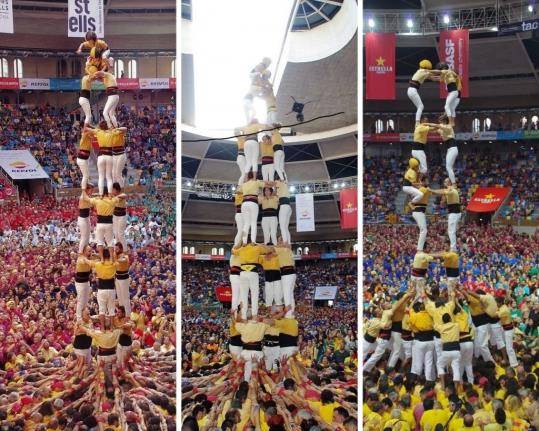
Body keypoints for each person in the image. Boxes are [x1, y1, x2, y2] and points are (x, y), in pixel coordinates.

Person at [81, 185, 126, 261]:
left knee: (100, 242)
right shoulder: (112, 200)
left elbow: (85, 198)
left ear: (101, 192)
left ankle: (102, 258)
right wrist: (110, 196)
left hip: (100, 224)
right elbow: (124, 195)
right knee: (110, 242)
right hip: (109, 224)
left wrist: (83, 189)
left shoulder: (97, 200)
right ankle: (111, 257)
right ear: (108, 192)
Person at [231, 242, 270, 320]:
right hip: (253, 272)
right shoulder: (256, 248)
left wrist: (240, 244)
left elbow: (233, 250)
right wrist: (258, 244)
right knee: (254, 295)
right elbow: (268, 250)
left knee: (243, 296)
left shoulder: (241, 249)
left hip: (243, 272)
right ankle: (254, 316)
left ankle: (244, 317)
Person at [429, 178, 461, 251]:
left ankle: (453, 249)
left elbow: (442, 191)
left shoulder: (451, 189)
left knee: (451, 231)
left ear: (449, 183)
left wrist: (431, 190)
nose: (444, 182)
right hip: (454, 212)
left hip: (454, 213)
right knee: (452, 231)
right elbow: (442, 199)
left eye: (445, 181)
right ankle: (453, 247)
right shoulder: (450, 190)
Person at [89, 248, 118, 329]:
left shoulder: (98, 264)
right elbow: (116, 258)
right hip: (111, 289)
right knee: (111, 310)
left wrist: (97, 256)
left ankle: (102, 327)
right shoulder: (114, 264)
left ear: (102, 255)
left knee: (102, 310)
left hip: (102, 289)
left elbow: (91, 260)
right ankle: (111, 327)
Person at [428, 115, 459, 183]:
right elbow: (432, 130)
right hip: (449, 149)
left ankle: (453, 183)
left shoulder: (448, 127)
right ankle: (452, 181)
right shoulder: (441, 129)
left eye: (440, 121)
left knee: (448, 167)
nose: (439, 123)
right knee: (448, 167)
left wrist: (425, 124)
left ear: (444, 121)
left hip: (453, 148)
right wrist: (423, 128)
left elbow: (436, 125)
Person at [407, 60, 438, 126]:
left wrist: (443, 78)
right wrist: (443, 72)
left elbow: (433, 78)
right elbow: (434, 74)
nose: (429, 69)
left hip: (411, 90)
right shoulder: (422, 71)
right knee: (421, 106)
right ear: (426, 67)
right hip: (412, 90)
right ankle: (417, 122)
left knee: (419, 107)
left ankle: (417, 122)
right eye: (429, 68)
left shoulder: (421, 72)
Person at [238, 173, 264, 244]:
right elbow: (265, 184)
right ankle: (253, 241)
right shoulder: (256, 182)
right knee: (253, 223)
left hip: (244, 203)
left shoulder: (244, 184)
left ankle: (244, 242)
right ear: (254, 176)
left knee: (246, 224)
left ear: (248, 177)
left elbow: (238, 191)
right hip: (253, 202)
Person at [274, 239, 296, 318]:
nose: (278, 242)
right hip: (292, 273)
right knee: (290, 294)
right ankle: (292, 312)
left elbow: (271, 248)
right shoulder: (289, 249)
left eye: (280, 241)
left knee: (287, 295)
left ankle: (289, 315)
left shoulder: (279, 249)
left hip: (286, 273)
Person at [437, 63, 461, 127]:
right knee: (452, 108)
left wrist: (429, 72)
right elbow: (440, 78)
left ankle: (450, 121)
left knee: (447, 107)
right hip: (456, 94)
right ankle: (452, 122)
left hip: (455, 93)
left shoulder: (452, 75)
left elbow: (442, 76)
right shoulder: (450, 76)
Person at [410, 177, 430, 251]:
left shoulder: (423, 189)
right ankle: (419, 248)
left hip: (419, 211)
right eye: (426, 180)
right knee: (424, 230)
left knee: (423, 230)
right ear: (423, 181)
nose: (428, 181)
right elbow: (410, 202)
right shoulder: (423, 189)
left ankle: (421, 247)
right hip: (418, 211)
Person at [75, 245, 94, 319]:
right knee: (80, 300)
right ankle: (79, 318)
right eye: (89, 251)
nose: (90, 252)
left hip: (86, 281)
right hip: (80, 283)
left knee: (86, 300)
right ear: (84, 251)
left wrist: (95, 255)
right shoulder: (81, 258)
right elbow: (90, 263)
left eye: (91, 251)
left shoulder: (89, 257)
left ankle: (84, 316)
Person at [114, 242, 131, 316]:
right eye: (115, 249)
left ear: (120, 249)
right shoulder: (115, 255)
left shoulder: (125, 256)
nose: (115, 250)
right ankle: (122, 314)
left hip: (124, 279)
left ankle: (128, 315)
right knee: (120, 297)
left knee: (125, 297)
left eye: (117, 249)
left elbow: (123, 260)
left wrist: (114, 259)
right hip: (117, 278)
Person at [77, 183, 94, 254]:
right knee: (84, 237)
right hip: (82, 219)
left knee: (87, 237)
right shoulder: (83, 197)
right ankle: (80, 253)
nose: (92, 192)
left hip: (87, 218)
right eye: (91, 190)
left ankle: (86, 251)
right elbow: (92, 203)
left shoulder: (87, 196)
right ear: (87, 189)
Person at [275, 179, 292, 245]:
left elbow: (272, 183)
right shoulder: (285, 184)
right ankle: (289, 243)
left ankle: (285, 243)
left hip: (284, 206)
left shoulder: (279, 182)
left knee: (282, 227)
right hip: (288, 206)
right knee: (285, 227)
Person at [111, 182, 127, 250]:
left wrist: (114, 197)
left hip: (122, 217)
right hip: (115, 216)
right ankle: (118, 249)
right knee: (116, 233)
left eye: (113, 189)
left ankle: (125, 250)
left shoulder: (122, 195)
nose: (112, 191)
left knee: (120, 234)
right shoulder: (112, 196)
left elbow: (124, 195)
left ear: (116, 189)